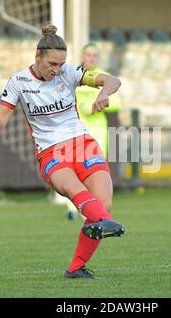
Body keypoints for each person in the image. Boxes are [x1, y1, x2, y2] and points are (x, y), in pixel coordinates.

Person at [0, 24, 125, 279]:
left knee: (103, 203)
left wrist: (103, 93)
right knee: (76, 192)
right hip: (51, 153)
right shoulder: (19, 81)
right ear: (37, 56)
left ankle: (76, 269)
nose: (56, 70)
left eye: (60, 64)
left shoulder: (70, 73)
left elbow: (113, 80)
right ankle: (105, 223)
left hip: (83, 145)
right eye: (52, 64)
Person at [65, 43, 122, 221]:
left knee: (96, 172)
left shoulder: (103, 78)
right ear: (83, 56)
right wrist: (93, 104)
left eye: (94, 55)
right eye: (88, 54)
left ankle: (92, 208)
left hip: (99, 131)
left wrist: (104, 101)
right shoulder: (76, 77)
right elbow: (81, 105)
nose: (91, 58)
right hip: (79, 130)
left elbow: (117, 103)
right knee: (75, 171)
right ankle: (72, 208)